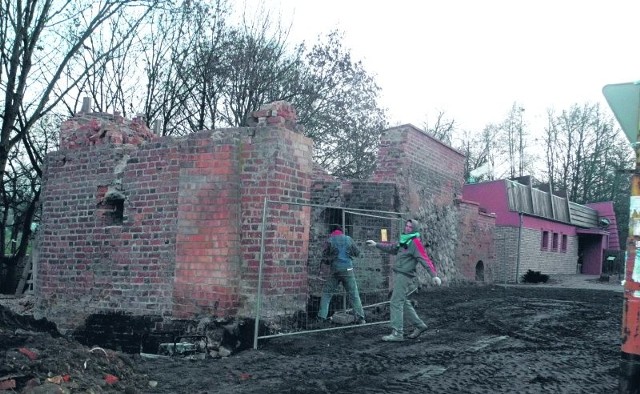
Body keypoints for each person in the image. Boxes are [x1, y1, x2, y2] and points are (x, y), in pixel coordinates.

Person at [366, 219, 441, 341]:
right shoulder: (405, 240)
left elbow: (424, 259)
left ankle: (397, 333)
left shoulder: (415, 242)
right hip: (400, 274)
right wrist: (376, 244)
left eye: (410, 227)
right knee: (403, 301)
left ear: (415, 229)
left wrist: (434, 275)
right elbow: (392, 248)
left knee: (395, 302)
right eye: (406, 226)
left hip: (405, 275)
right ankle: (419, 325)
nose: (407, 228)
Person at [318, 224, 366, 325]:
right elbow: (357, 252)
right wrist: (348, 253)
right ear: (341, 231)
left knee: (327, 293)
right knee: (354, 294)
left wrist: (330, 260)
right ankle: (361, 318)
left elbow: (325, 256)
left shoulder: (330, 240)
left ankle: (321, 317)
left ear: (332, 231)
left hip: (335, 270)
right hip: (348, 269)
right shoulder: (348, 239)